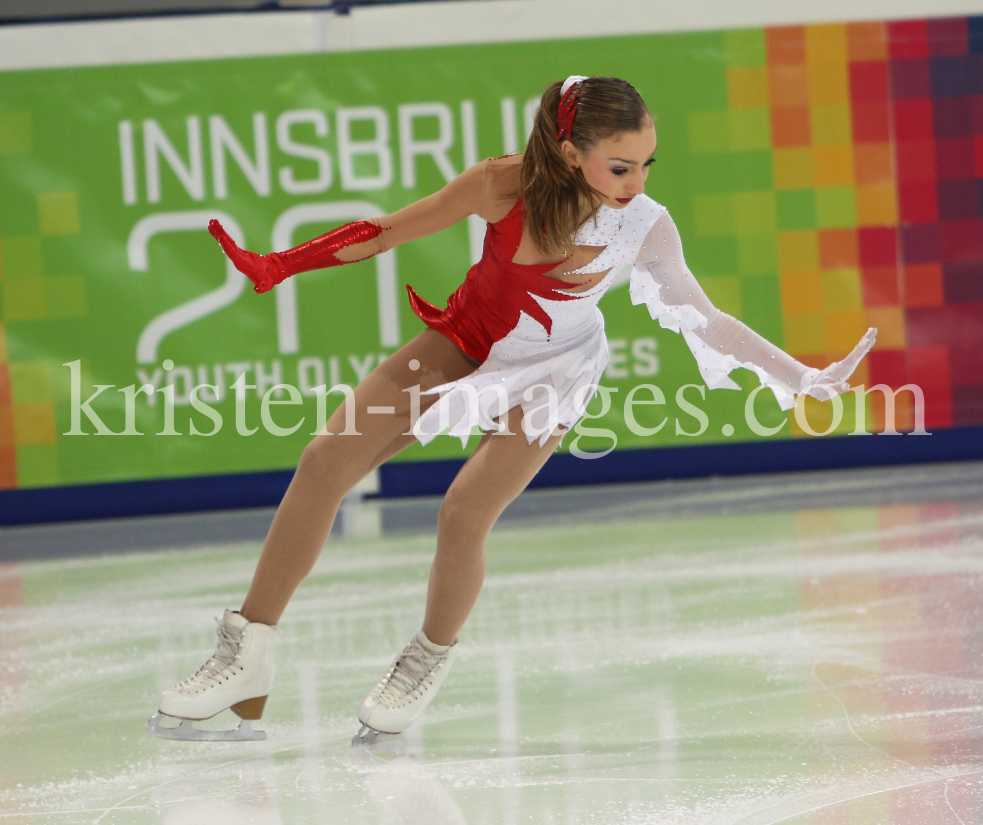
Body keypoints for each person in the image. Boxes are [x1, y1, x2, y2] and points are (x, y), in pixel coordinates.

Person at [147, 75, 876, 744]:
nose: (637, 183)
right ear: (569, 152)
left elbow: (706, 318)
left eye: (648, 164)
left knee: (464, 510)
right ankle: (248, 651)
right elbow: (386, 231)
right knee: (325, 458)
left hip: (554, 371)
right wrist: (280, 264)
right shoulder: (501, 186)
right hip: (468, 335)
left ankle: (425, 659)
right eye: (620, 166)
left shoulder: (646, 227)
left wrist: (800, 377)